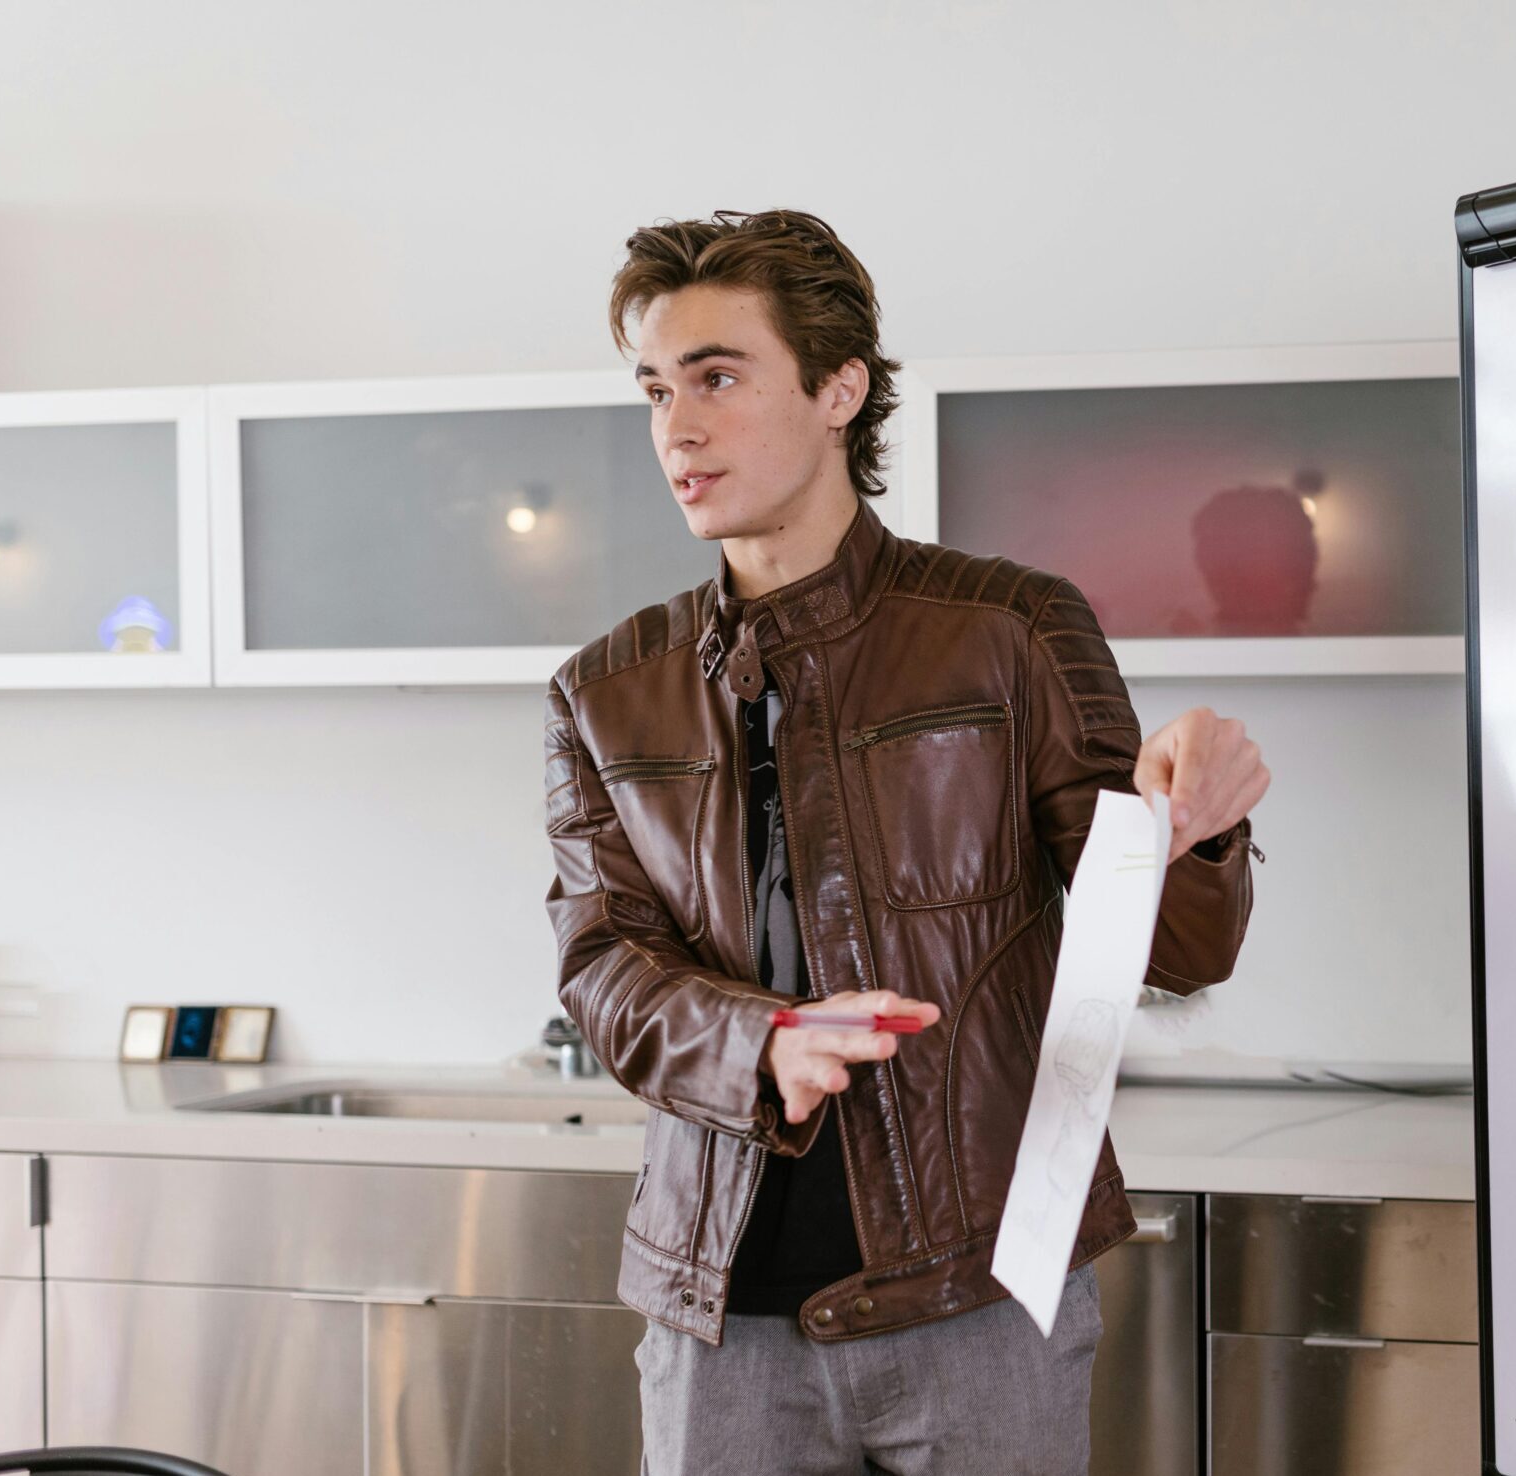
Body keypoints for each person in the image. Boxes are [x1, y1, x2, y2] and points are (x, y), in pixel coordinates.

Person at [540, 207, 1268, 1475]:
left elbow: (1167, 951)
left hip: (980, 1297)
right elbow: (602, 969)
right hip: (717, 1322)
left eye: (717, 376)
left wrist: (1198, 830)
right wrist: (761, 1041)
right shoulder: (601, 690)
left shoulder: (1014, 628)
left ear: (839, 389)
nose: (678, 428)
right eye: (655, 389)